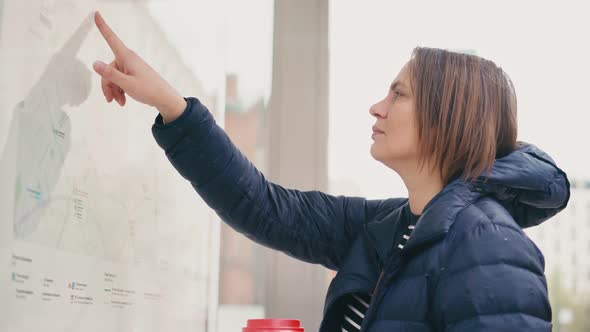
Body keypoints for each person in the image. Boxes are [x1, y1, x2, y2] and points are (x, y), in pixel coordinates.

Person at [92, 11, 570, 332]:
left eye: (398, 95)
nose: (377, 108)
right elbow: (265, 208)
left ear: (447, 116)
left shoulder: (489, 243)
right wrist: (171, 104)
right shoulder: (392, 227)